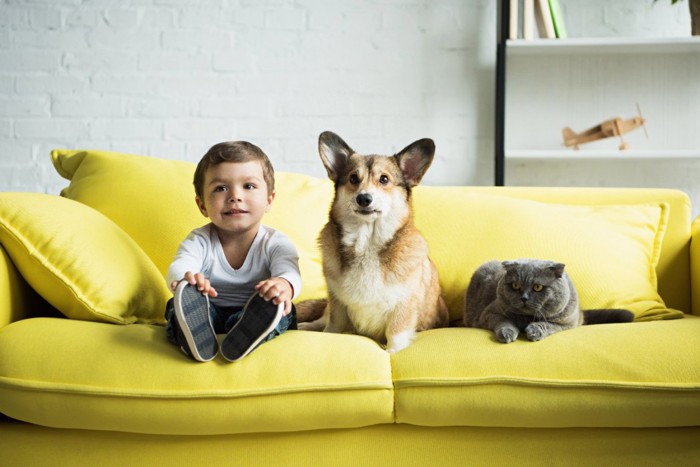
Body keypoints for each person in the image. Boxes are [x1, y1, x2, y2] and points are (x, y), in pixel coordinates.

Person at [164, 141, 301, 362]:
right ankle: (191, 335)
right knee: (175, 306)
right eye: (220, 188)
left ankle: (249, 333)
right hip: (208, 313)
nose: (235, 196)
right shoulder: (200, 240)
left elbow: (290, 272)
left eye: (248, 186)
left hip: (253, 312)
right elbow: (180, 265)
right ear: (202, 206)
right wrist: (186, 279)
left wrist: (285, 285)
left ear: (269, 200)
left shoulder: (275, 243)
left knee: (282, 308)